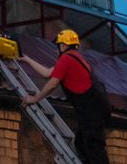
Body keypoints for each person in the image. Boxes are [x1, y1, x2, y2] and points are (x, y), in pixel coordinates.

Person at [21, 29, 111, 164]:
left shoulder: (66, 59)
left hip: (91, 109)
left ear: (63, 46)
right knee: (81, 144)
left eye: (58, 46)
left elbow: (52, 84)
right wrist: (26, 59)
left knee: (94, 147)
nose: (57, 50)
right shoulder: (74, 58)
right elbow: (47, 73)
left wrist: (35, 99)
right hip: (93, 108)